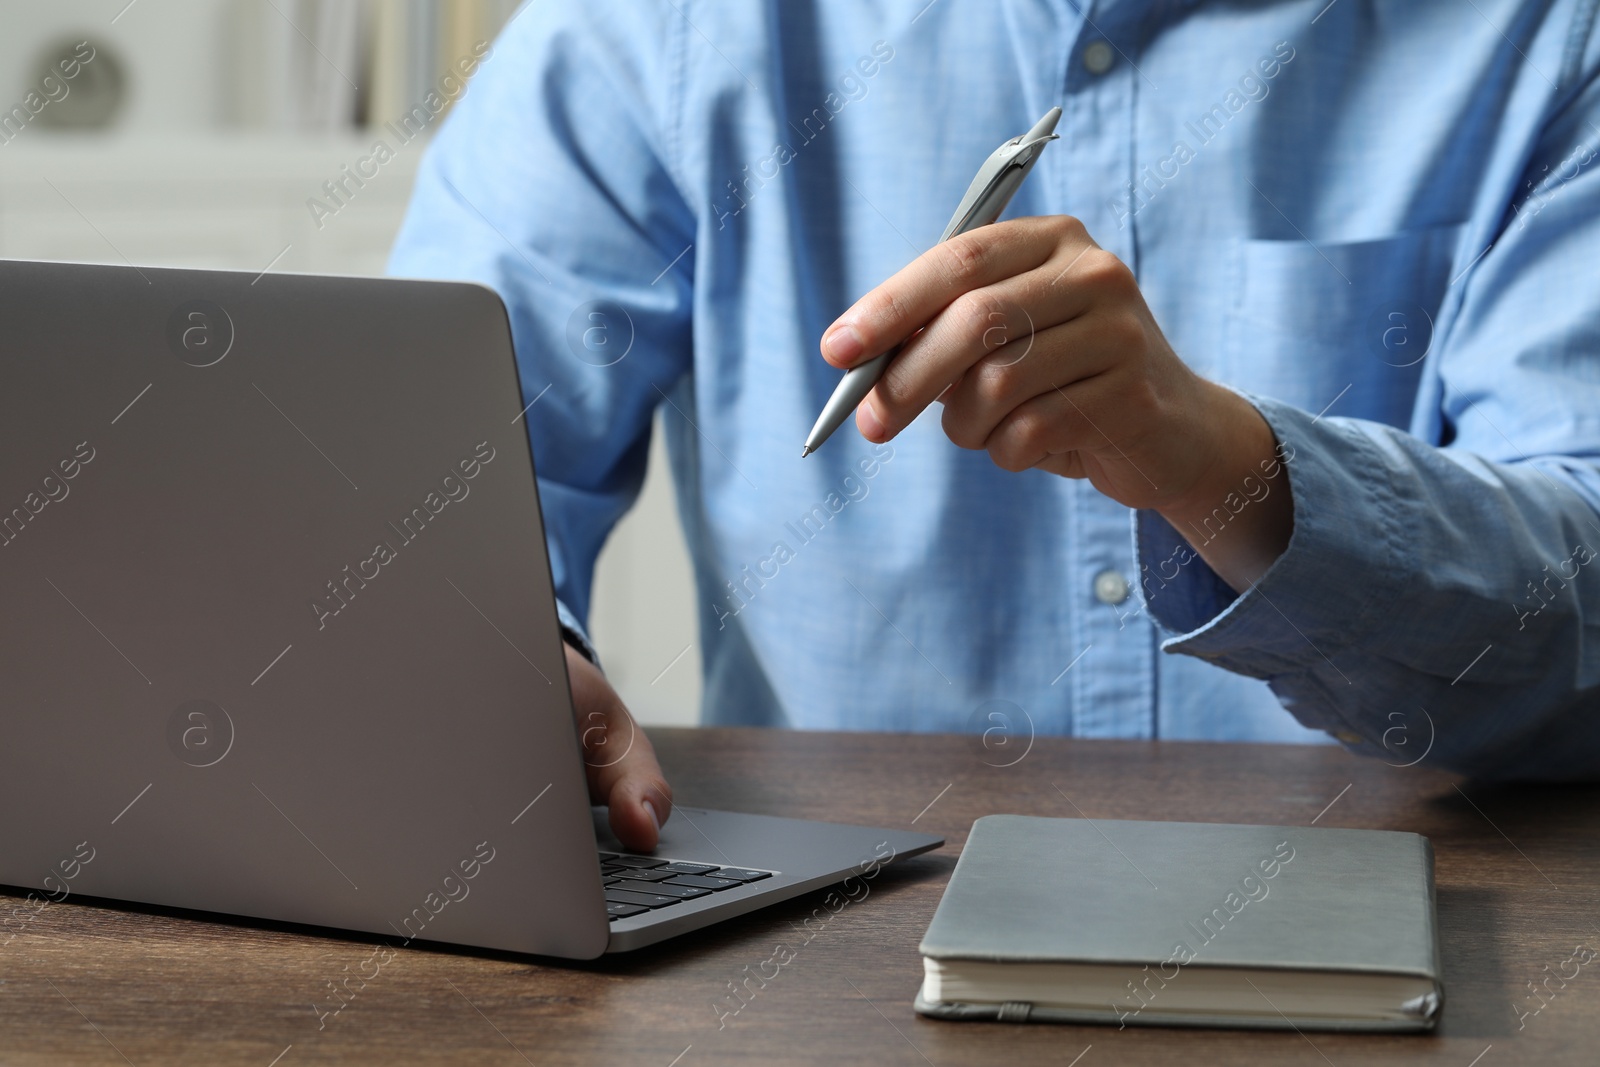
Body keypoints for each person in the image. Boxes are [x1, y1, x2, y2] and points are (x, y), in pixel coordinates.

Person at [389, 0, 1600, 850]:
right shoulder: (660, 28)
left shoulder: (1544, 39)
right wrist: (498, 661)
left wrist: (1231, 469)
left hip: (1395, 927)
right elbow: (419, 475)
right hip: (826, 961)